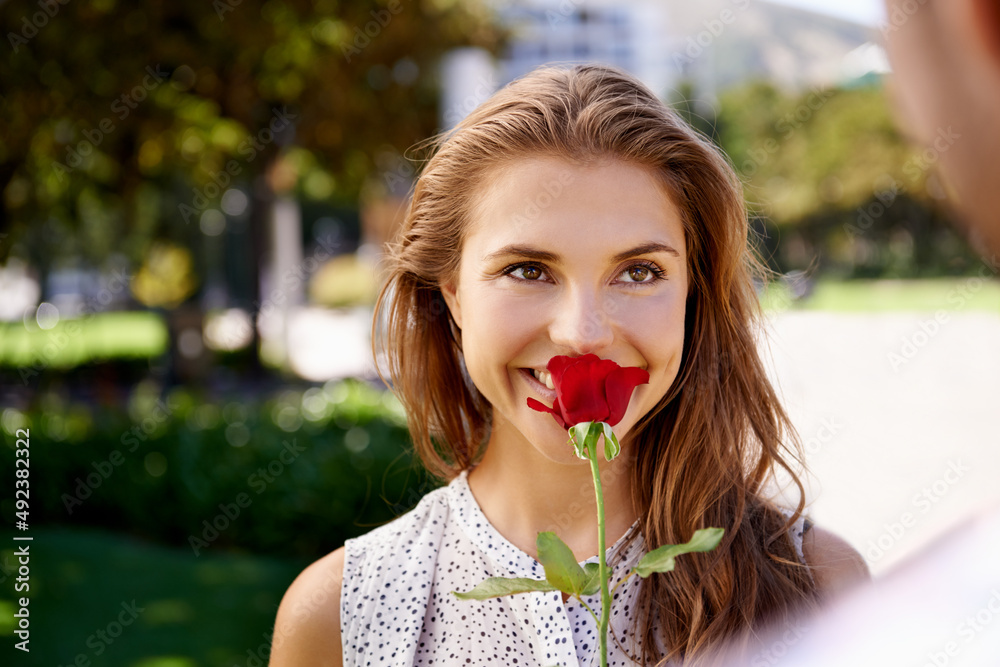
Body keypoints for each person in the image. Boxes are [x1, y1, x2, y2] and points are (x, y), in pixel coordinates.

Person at [267, 64, 868, 667]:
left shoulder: (822, 588)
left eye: (638, 272)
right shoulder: (343, 615)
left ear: (692, 294)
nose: (583, 334)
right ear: (452, 294)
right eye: (528, 271)